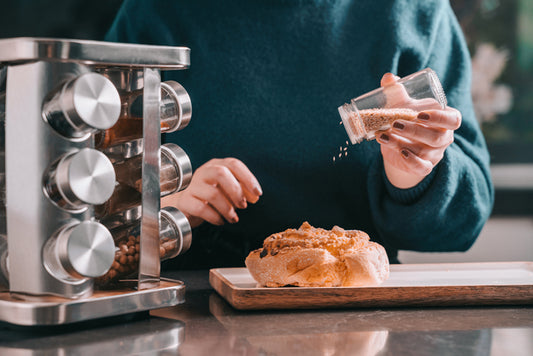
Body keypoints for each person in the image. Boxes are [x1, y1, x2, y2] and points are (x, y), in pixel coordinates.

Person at [105, 0, 494, 268]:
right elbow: (86, 182)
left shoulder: (414, 10)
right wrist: (161, 202)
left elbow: (465, 221)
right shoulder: (156, 11)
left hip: (359, 312)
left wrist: (418, 173)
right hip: (186, 305)